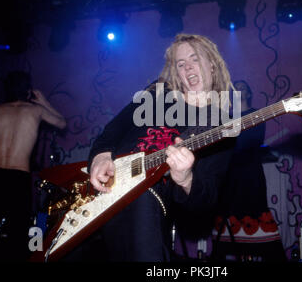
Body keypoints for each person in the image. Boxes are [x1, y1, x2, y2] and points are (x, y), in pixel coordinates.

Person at [67, 33, 236, 262]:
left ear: (212, 64)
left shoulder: (218, 124)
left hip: (147, 201)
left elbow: (205, 199)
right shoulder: (158, 92)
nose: (187, 67)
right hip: (102, 190)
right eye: (180, 63)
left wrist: (185, 178)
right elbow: (115, 128)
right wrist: (101, 156)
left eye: (194, 59)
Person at [0, 70, 66, 261]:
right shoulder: (36, 110)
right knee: (17, 231)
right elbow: (62, 123)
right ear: (28, 90)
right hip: (17, 177)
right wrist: (43, 101)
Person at [212, 80, 286, 262]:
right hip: (230, 175)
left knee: (255, 209)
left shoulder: (256, 114)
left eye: (243, 87)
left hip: (250, 172)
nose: (239, 90)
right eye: (235, 88)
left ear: (249, 93)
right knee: (226, 216)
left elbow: (253, 140)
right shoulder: (225, 118)